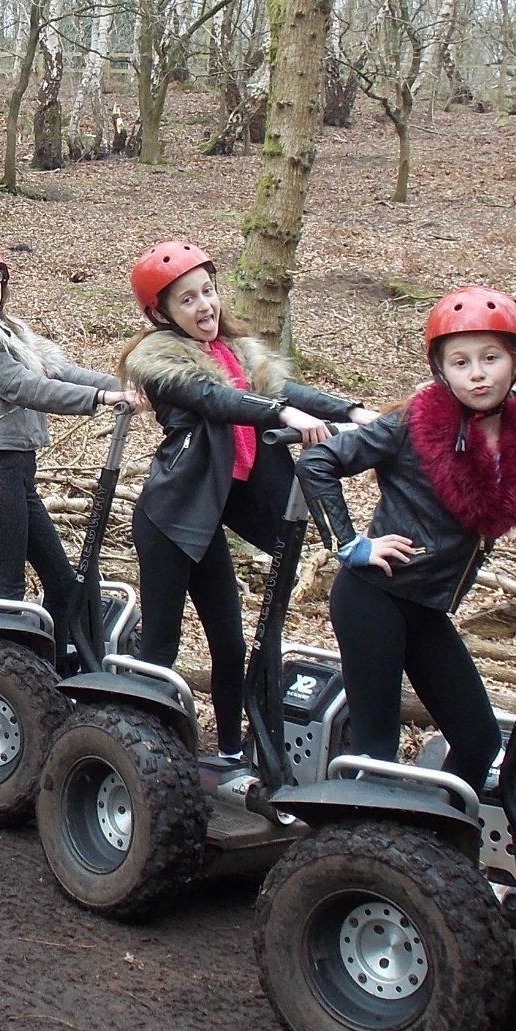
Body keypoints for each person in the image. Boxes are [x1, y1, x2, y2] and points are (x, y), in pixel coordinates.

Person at [296, 288, 516, 789]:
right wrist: (351, 545)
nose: (477, 373)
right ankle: (355, 851)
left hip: (427, 610)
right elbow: (318, 462)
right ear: (441, 369)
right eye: (461, 361)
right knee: (375, 747)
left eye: (490, 358)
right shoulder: (412, 424)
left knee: (478, 741)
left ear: (515, 363)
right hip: (373, 596)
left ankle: (435, 838)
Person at [119, 241, 369, 772]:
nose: (204, 306)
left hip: (208, 523)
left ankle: (231, 752)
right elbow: (217, 401)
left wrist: (355, 410)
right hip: (169, 518)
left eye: (208, 291)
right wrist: (283, 415)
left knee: (231, 646)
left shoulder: (235, 355)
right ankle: (135, 750)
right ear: (161, 314)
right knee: (160, 645)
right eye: (187, 300)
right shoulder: (163, 363)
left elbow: (287, 390)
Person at [0, 239, 129, 649]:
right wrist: (98, 400)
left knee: (64, 581)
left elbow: (61, 370)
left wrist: (123, 387)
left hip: (20, 472)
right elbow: (26, 387)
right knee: (10, 588)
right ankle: (6, 672)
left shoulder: (13, 333)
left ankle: (47, 665)